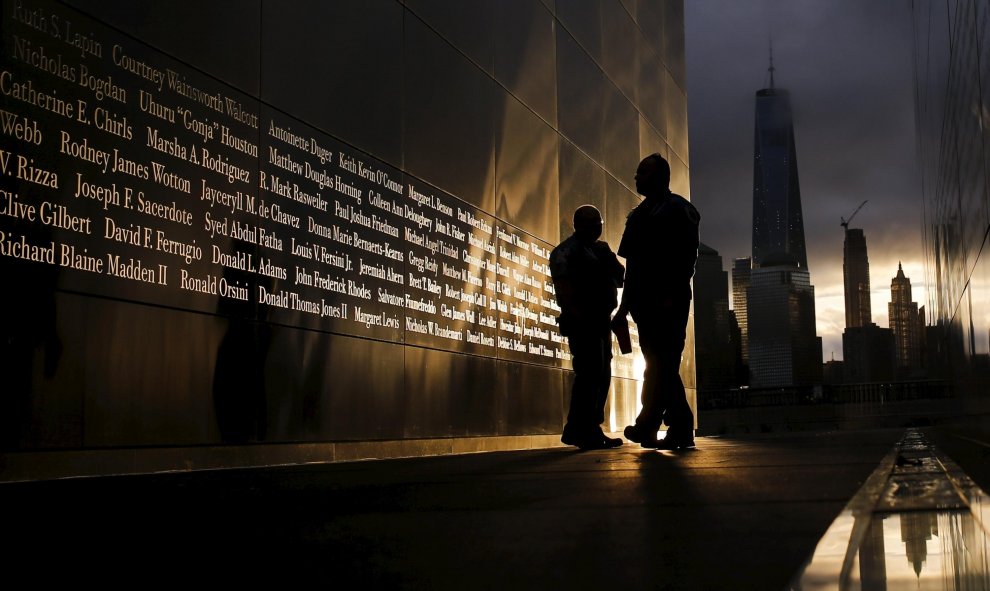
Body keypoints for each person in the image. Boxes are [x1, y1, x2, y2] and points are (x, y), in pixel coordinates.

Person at [613, 154, 700, 450]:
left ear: (662, 176)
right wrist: (623, 308)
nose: (637, 178)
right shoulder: (637, 216)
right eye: (637, 173)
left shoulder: (679, 210)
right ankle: (673, 427)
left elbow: (686, 258)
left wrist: (670, 295)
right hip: (643, 304)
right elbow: (633, 268)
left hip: (670, 301)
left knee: (662, 364)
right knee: (658, 366)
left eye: (643, 173)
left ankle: (648, 423)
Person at [550, 205, 625, 450]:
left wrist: (608, 258)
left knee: (601, 374)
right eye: (591, 222)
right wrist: (576, 315)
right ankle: (582, 429)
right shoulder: (565, 252)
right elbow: (564, 289)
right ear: (578, 224)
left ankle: (588, 427)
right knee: (589, 374)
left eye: (599, 222)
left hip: (601, 319)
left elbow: (620, 277)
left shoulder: (600, 250)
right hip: (582, 321)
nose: (597, 227)